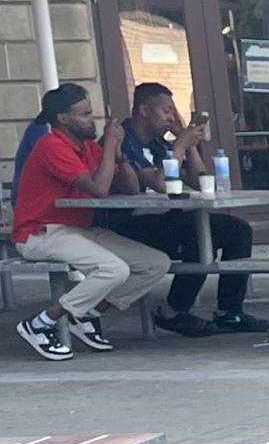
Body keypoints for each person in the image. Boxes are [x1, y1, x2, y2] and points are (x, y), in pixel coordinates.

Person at [13, 85, 170, 360]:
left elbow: (131, 189)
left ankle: (86, 314)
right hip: (40, 231)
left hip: (79, 228)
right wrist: (108, 144)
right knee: (113, 269)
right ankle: (41, 323)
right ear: (63, 118)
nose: (93, 120)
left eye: (91, 113)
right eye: (84, 114)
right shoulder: (51, 146)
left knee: (155, 263)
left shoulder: (87, 148)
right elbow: (98, 189)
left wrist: (118, 152)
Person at [107, 82, 268, 337]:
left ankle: (230, 312)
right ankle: (173, 311)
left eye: (173, 112)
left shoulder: (160, 143)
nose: (171, 117)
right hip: (128, 221)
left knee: (237, 230)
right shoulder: (125, 139)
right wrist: (180, 145)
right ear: (144, 110)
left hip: (163, 216)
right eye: (166, 111)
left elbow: (198, 180)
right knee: (196, 234)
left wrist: (189, 142)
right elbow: (160, 183)